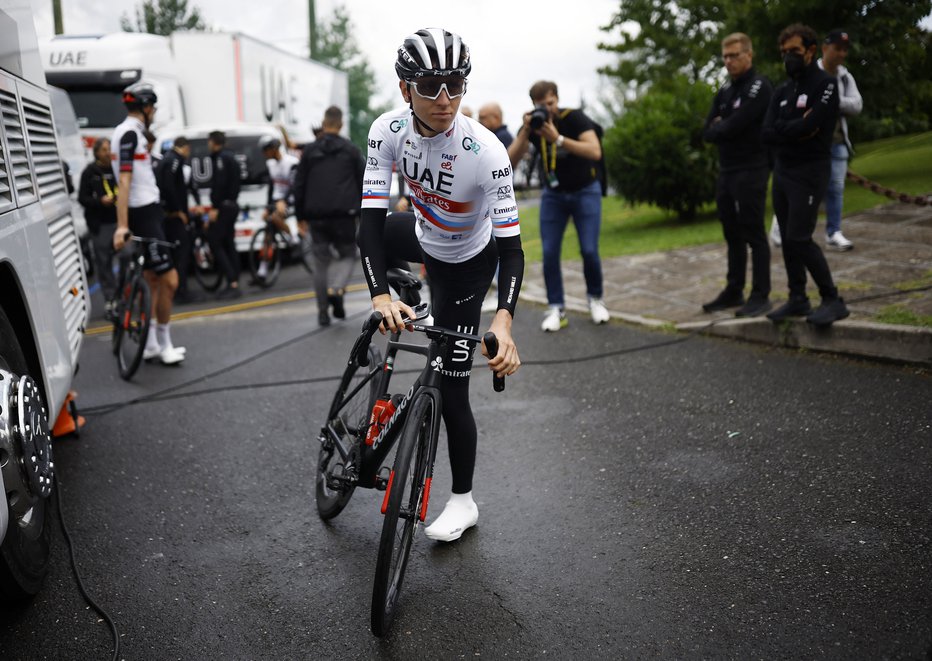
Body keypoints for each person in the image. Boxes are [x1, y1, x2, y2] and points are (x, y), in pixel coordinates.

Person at [359, 28, 523, 542]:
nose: (445, 99)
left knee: (451, 388)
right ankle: (401, 296)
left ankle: (463, 501)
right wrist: (378, 294)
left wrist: (503, 320)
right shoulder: (386, 132)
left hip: (467, 266)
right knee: (375, 236)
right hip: (421, 236)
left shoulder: (487, 152)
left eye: (455, 84)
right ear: (405, 88)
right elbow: (369, 222)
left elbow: (514, 251)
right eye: (430, 86)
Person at [762, 24, 849, 326]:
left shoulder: (825, 84)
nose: (788, 58)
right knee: (787, 239)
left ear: (811, 51)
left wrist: (793, 128)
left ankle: (832, 299)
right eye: (784, 52)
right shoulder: (783, 90)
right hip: (783, 172)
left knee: (800, 238)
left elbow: (813, 126)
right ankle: (797, 298)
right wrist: (797, 127)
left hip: (810, 171)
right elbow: (768, 132)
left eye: (795, 52)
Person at [507, 80, 609, 331]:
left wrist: (559, 139)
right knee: (550, 252)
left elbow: (595, 151)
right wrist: (525, 130)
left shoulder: (574, 118)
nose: (548, 110)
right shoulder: (535, 125)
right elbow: (509, 160)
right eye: (542, 105)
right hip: (553, 195)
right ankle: (556, 307)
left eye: (551, 103)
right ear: (534, 105)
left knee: (588, 250)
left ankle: (595, 299)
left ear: (557, 99)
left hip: (586, 190)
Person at [111, 82, 185, 364]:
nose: (153, 112)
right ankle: (164, 344)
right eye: (151, 107)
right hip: (143, 212)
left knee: (152, 280)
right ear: (144, 108)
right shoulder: (130, 133)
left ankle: (152, 342)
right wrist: (122, 225)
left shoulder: (130, 132)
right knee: (169, 280)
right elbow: (125, 181)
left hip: (148, 211)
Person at [701, 33, 773, 317]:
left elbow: (734, 126)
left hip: (752, 168)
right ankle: (734, 290)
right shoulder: (725, 92)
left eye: (734, 55)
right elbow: (708, 131)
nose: (729, 61)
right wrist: (724, 126)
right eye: (725, 57)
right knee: (732, 233)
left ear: (749, 55)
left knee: (753, 232)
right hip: (727, 171)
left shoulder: (759, 87)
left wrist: (724, 126)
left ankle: (760, 294)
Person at [292, 106, 364, 326]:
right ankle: (337, 288)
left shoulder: (310, 151)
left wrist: (300, 215)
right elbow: (363, 181)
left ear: (324, 124)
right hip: (344, 214)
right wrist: (364, 213)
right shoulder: (351, 150)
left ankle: (323, 312)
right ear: (341, 124)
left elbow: (300, 184)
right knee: (348, 254)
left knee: (321, 263)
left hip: (317, 215)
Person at [819, 28, 862, 251]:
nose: (842, 54)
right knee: (807, 188)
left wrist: (834, 102)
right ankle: (785, 227)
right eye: (837, 49)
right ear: (825, 48)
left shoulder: (845, 77)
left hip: (837, 142)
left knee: (836, 188)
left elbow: (857, 105)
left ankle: (833, 231)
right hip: (812, 145)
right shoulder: (810, 73)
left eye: (845, 50)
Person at [157, 136, 200, 304]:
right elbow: (169, 187)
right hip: (173, 216)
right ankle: (181, 291)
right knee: (181, 254)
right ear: (185, 147)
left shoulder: (167, 159)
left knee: (177, 254)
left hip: (168, 215)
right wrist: (178, 211)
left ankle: (180, 289)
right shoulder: (174, 161)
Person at [78, 138, 119, 306]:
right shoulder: (90, 172)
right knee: (104, 263)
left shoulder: (117, 169)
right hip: (100, 225)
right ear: (96, 153)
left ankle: (125, 293)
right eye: (104, 150)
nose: (108, 153)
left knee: (127, 256)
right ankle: (111, 298)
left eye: (109, 149)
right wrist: (99, 201)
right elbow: (82, 198)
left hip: (119, 222)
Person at [206, 130, 243, 299]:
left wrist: (215, 207)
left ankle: (232, 281)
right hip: (232, 205)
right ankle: (234, 280)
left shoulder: (221, 158)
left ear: (214, 142)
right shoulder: (231, 156)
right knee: (229, 242)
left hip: (224, 207)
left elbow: (220, 184)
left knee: (215, 242)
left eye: (209, 142)